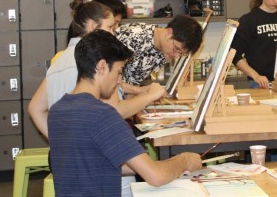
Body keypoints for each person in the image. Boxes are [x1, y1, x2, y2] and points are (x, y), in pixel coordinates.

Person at [48, 30, 201, 196]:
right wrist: (184, 159)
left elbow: (93, 164)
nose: (119, 81)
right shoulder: (103, 115)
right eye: (119, 72)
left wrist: (155, 165)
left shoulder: (57, 111)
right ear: (102, 67)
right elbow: (156, 177)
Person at [28, 0, 166, 138]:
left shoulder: (59, 61)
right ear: (93, 26)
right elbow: (115, 110)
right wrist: (149, 96)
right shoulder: (92, 61)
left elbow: (35, 108)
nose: (114, 33)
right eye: (110, 27)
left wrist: (58, 142)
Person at [230, 0, 277, 88]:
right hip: (260, 84)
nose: (276, 1)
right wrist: (256, 76)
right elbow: (234, 55)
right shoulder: (248, 20)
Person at [116, 15, 203, 85]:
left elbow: (133, 82)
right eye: (176, 49)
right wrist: (142, 91)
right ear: (168, 32)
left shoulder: (164, 50)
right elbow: (108, 83)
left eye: (181, 54)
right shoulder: (132, 37)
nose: (176, 56)